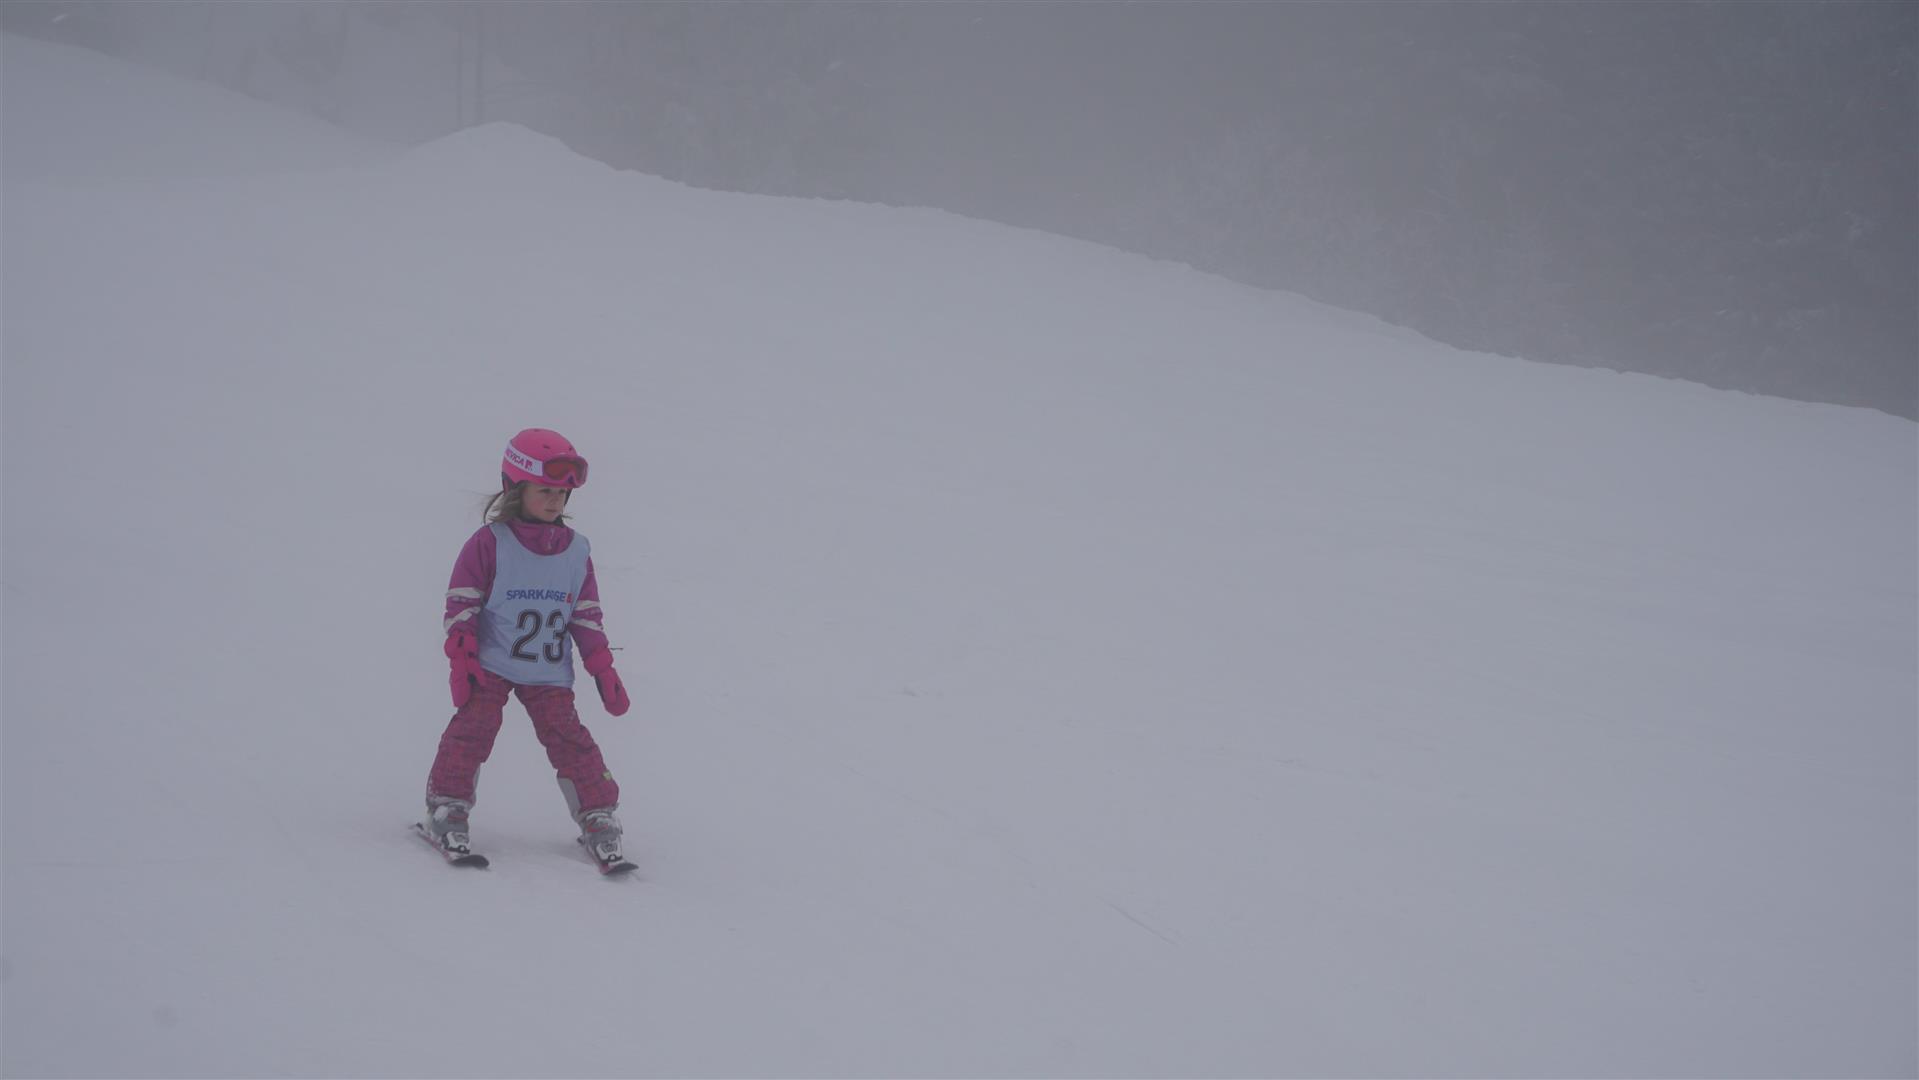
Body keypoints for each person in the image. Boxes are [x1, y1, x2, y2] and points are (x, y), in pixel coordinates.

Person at [421, 428, 632, 866]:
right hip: (492, 664)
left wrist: (602, 667)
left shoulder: (576, 551)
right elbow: (462, 603)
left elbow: (585, 614)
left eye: (562, 493)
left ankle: (597, 814)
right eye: (544, 491)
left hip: (548, 671)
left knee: (571, 740)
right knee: (472, 731)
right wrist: (462, 654)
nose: (555, 501)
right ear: (515, 490)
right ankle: (448, 806)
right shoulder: (489, 544)